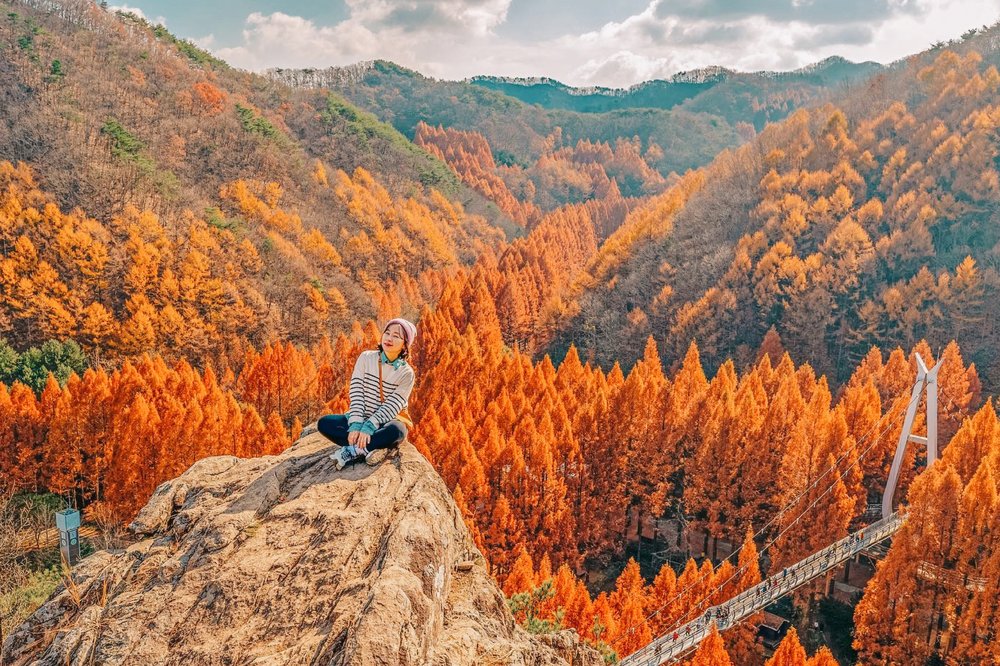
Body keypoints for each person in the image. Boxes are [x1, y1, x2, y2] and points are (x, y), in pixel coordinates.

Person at [319, 318, 417, 469]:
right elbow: (357, 391)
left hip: (385, 422)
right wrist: (357, 423)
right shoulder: (366, 358)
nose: (389, 338)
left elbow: (394, 405)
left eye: (396, 336)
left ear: (405, 344)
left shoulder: (406, 373)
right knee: (324, 423)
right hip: (362, 416)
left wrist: (370, 426)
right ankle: (373, 446)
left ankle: (354, 450)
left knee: (397, 431)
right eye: (387, 333)